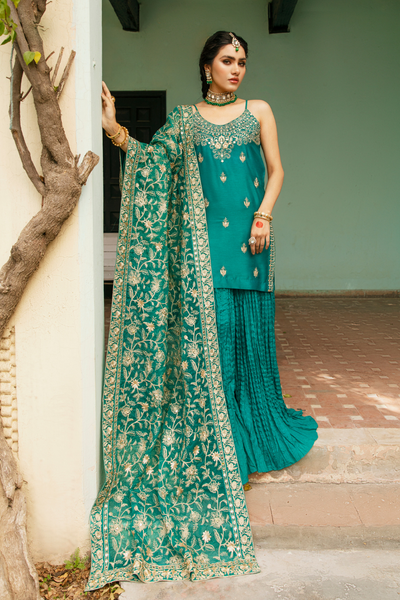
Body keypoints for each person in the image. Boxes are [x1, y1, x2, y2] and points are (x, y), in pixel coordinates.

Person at [87, 31, 317, 591]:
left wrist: (264, 215)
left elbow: (277, 170)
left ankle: (253, 431)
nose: (237, 69)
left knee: (246, 340)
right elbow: (152, 164)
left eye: (242, 61)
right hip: (203, 252)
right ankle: (224, 443)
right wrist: (114, 129)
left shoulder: (259, 110)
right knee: (215, 341)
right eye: (227, 60)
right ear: (207, 65)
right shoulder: (185, 122)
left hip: (252, 242)